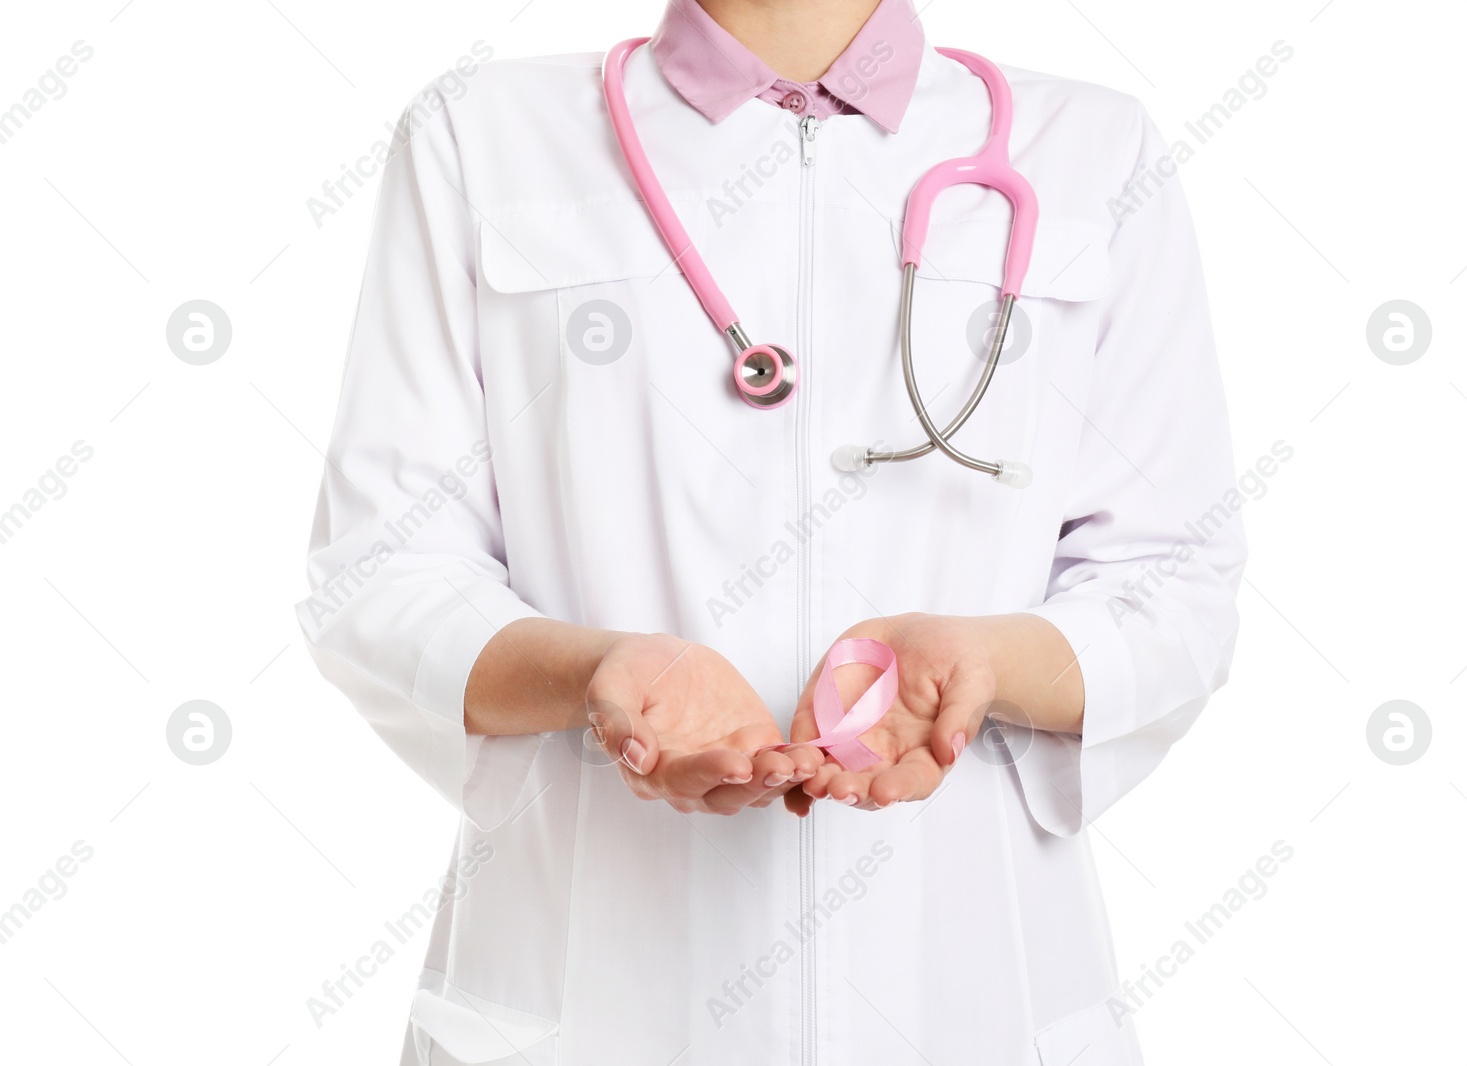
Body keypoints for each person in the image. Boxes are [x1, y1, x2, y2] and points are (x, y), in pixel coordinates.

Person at [296, 0, 1245, 1062]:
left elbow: (1175, 577)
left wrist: (987, 661)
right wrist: (599, 671)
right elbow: (381, 569)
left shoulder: (1093, 150)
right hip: (599, 1001)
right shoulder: (481, 134)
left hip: (964, 992)